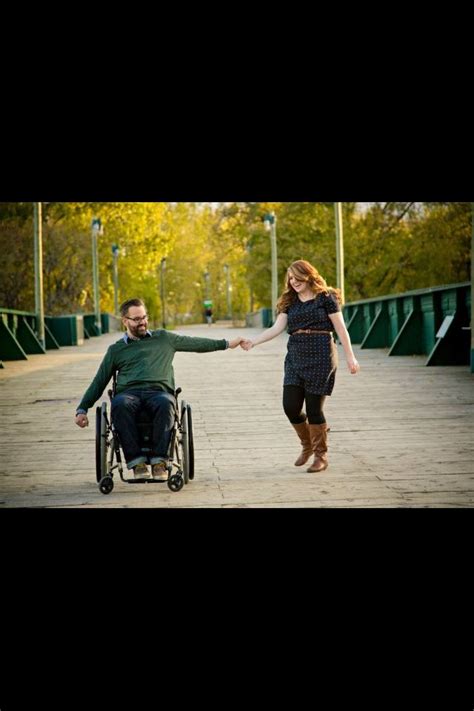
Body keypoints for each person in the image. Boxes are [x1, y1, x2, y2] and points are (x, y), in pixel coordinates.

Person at [75, 298, 244, 481]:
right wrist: (82, 409)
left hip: (159, 392)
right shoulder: (116, 350)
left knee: (165, 403)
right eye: (137, 319)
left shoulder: (163, 338)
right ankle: (137, 463)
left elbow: (196, 343)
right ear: (125, 321)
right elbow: (99, 381)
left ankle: (159, 462)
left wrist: (227, 343)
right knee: (120, 404)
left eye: (144, 317)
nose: (143, 322)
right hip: (128, 394)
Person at [241, 260, 360, 473]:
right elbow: (277, 327)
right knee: (291, 407)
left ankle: (320, 455)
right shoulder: (290, 301)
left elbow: (341, 329)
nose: (293, 282)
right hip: (295, 356)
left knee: (315, 409)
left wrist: (351, 357)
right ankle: (307, 445)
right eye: (290, 279)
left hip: (322, 355)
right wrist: (254, 341)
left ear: (308, 275)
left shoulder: (326, 298)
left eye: (297, 278)